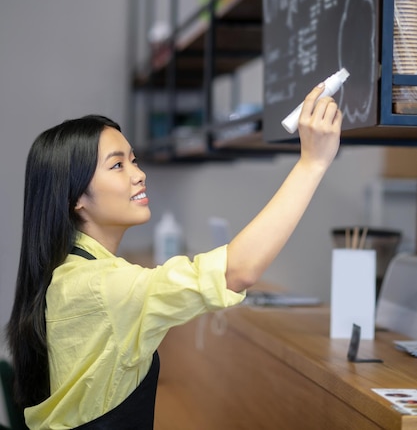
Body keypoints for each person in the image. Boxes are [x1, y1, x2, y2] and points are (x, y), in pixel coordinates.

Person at [7, 84, 342, 430]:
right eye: (117, 165)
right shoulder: (100, 287)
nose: (139, 174)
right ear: (76, 197)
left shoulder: (74, 273)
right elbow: (237, 271)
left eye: (133, 160)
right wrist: (312, 163)